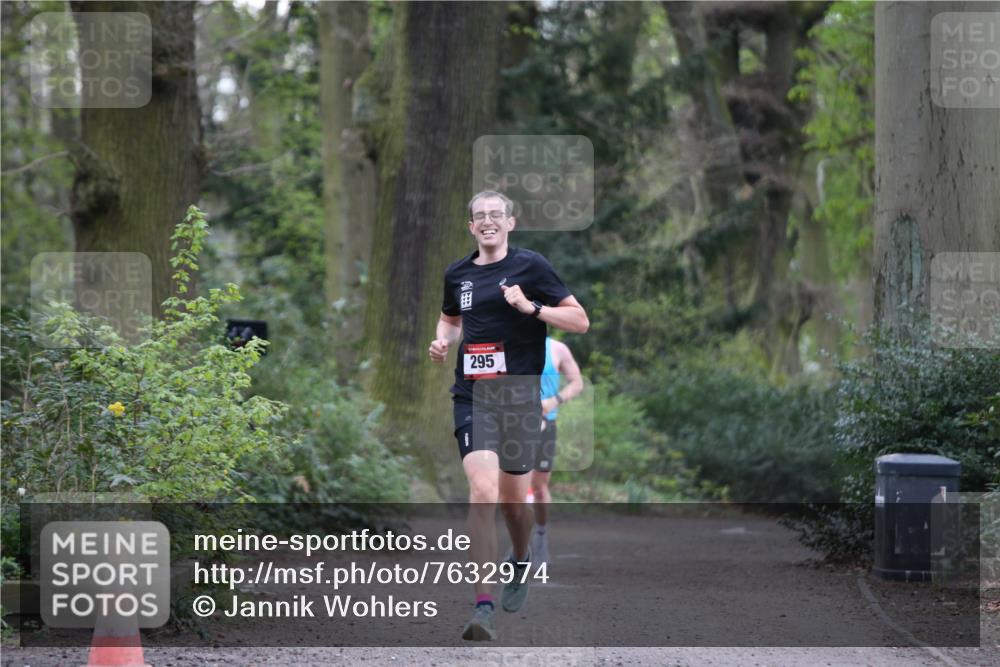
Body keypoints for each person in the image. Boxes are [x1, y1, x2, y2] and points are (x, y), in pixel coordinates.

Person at [429, 190, 588, 641]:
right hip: (473, 395)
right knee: (482, 490)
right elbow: (450, 319)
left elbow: (580, 321)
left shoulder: (532, 267)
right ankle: (483, 605)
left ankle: (520, 558)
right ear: (471, 226)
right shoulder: (457, 273)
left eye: (495, 214)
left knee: (514, 504)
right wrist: (442, 341)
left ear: (510, 222)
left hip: (520, 398)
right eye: (479, 216)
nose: (487, 221)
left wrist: (531, 308)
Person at [530, 336, 583, 565]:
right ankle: (519, 544)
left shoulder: (557, 348)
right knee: (515, 486)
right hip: (514, 422)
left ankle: (540, 535)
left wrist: (554, 400)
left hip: (545, 422)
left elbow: (577, 383)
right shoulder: (507, 340)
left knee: (539, 487)